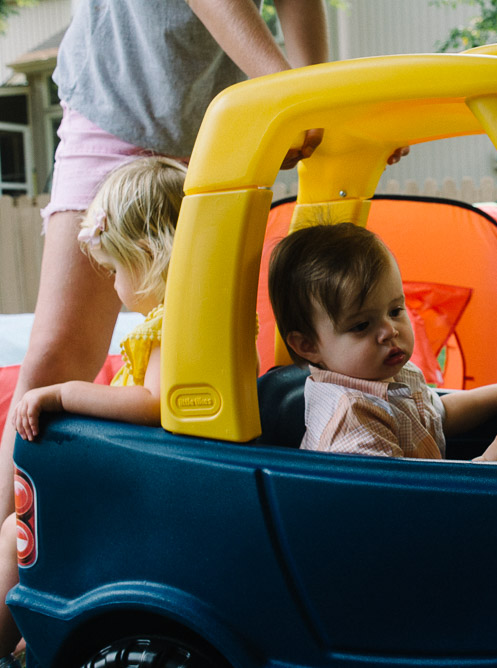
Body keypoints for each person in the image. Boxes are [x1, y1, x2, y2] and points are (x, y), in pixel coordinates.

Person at [0, 0, 340, 528]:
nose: (115, 279)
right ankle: (14, 532)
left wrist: (316, 102)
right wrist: (299, 97)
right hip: (122, 92)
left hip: (219, 125)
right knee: (58, 352)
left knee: (203, 346)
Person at [1, 157, 187, 664]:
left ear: (148, 256)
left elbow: (151, 404)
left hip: (143, 490)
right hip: (148, 476)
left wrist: (62, 394)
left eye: (114, 271)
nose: (112, 286)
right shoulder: (192, 318)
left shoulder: (172, 326)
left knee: (24, 521)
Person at [268, 223, 497, 462]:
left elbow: (439, 416)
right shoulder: (352, 423)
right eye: (361, 326)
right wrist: (488, 465)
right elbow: (407, 505)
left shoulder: (387, 374)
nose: (390, 331)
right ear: (308, 346)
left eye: (395, 311)